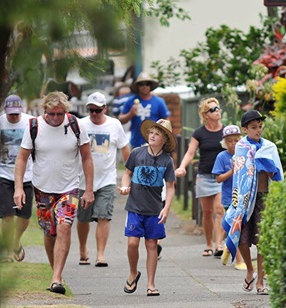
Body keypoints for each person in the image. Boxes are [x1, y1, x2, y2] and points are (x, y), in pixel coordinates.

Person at [14, 91, 95, 295]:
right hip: (42, 189)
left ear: (65, 111)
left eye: (60, 114)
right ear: (45, 111)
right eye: (52, 114)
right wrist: (17, 188)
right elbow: (22, 158)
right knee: (49, 233)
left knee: (64, 228)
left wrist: (89, 190)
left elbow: (87, 157)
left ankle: (57, 277)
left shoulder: (76, 125)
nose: (56, 118)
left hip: (69, 188)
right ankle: (55, 274)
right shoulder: (34, 126)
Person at [222, 110, 284, 295]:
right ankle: (250, 269)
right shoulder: (241, 148)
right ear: (245, 129)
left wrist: (268, 167)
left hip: (264, 197)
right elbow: (240, 174)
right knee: (242, 237)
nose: (258, 131)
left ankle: (260, 281)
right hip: (244, 200)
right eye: (254, 127)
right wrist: (254, 164)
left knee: (262, 240)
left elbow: (277, 174)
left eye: (260, 127)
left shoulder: (269, 147)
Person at [118, 119, 176, 297]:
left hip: (154, 209)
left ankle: (151, 284)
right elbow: (127, 174)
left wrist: (166, 209)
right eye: (151, 132)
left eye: (158, 134)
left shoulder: (167, 161)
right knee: (133, 242)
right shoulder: (137, 153)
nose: (153, 135)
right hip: (135, 207)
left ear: (164, 140)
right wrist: (125, 187)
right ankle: (133, 272)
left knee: (151, 244)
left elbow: (171, 186)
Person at [77, 92, 130, 267]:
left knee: (103, 216)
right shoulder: (80, 124)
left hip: (107, 179)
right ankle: (83, 248)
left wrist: (129, 173)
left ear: (105, 108)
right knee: (83, 218)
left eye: (98, 110)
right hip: (82, 180)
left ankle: (101, 254)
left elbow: (124, 149)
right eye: (91, 110)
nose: (94, 114)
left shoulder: (114, 125)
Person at [175, 97, 225, 257]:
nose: (217, 111)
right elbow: (190, 153)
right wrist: (182, 167)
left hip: (221, 177)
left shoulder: (225, 131)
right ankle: (209, 244)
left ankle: (219, 244)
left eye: (217, 108)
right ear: (205, 114)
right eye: (212, 109)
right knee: (207, 212)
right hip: (204, 176)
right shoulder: (199, 133)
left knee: (219, 210)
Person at [0, 94, 34, 263]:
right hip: (3, 173)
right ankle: (10, 252)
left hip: (28, 174)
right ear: (5, 110)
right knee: (7, 215)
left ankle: (16, 240)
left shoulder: (31, 122)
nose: (13, 117)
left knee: (24, 216)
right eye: (10, 114)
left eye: (16, 114)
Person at [211, 125, 247, 270]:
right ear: (225, 143)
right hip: (229, 197)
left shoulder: (244, 155)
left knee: (241, 227)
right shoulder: (221, 157)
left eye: (236, 140)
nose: (233, 143)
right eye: (230, 141)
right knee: (234, 226)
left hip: (244, 195)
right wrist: (232, 171)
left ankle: (228, 247)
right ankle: (239, 260)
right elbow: (218, 178)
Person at [118, 72, 170, 149]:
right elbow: (121, 119)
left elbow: (167, 121)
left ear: (151, 85)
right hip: (136, 144)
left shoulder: (159, 102)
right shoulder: (131, 101)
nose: (145, 86)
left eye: (147, 84)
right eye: (141, 84)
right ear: (137, 86)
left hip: (155, 145)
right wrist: (131, 114)